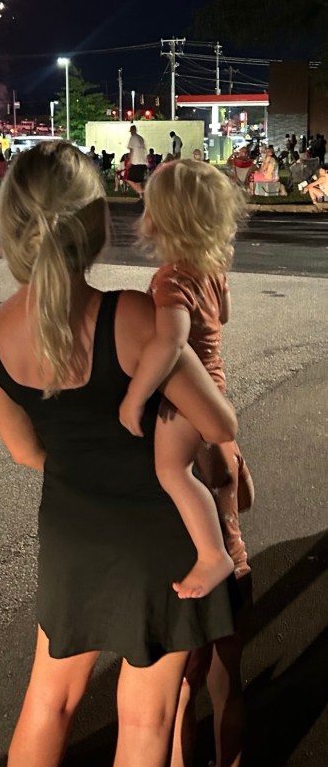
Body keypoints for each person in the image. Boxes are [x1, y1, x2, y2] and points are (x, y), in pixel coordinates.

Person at [0, 141, 238, 767]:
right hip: (161, 542)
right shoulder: (134, 318)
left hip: (73, 534)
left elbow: (25, 450)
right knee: (145, 722)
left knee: (50, 698)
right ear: (95, 225)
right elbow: (215, 423)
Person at [119, 159, 252, 599]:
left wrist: (135, 396)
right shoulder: (210, 268)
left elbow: (170, 342)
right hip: (214, 382)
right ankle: (231, 483)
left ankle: (213, 554)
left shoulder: (171, 279)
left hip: (188, 396)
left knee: (171, 469)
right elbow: (223, 316)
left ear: (161, 221)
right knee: (201, 463)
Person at [126, 124, 147, 197]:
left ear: (132, 131)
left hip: (135, 162)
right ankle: (141, 195)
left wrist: (129, 160)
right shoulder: (141, 138)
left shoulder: (133, 138)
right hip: (142, 162)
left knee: (129, 179)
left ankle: (142, 191)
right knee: (138, 181)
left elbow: (131, 150)